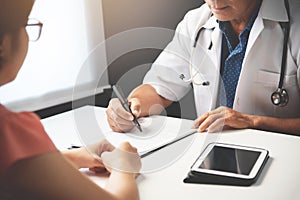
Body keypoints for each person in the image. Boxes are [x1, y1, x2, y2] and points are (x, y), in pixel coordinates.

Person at [0, 0, 141, 199]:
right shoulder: (9, 130)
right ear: (3, 44)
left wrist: (73, 157)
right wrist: (124, 166)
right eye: (26, 25)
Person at [106, 0, 300, 135]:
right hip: (211, 152)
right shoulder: (195, 22)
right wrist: (131, 106)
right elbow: (160, 89)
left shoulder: (295, 25)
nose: (214, 1)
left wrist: (252, 122)